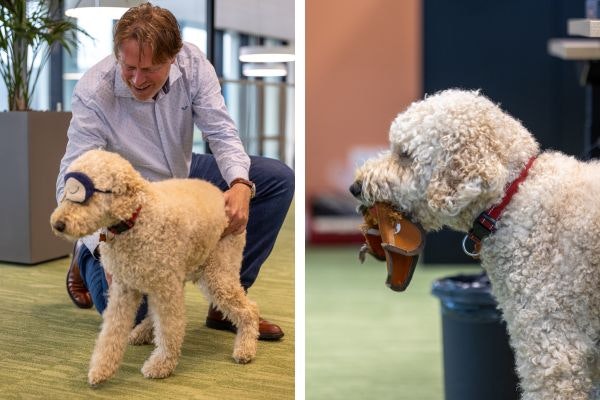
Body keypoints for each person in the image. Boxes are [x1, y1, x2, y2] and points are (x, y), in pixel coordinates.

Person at [56, 2, 294, 341]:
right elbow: (71, 178)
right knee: (136, 315)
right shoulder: (94, 91)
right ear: (118, 54)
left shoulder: (194, 64)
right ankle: (84, 256)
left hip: (182, 173)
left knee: (275, 179)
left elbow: (222, 134)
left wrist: (240, 183)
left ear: (174, 56)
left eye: (150, 69)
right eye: (129, 67)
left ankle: (225, 301)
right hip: (129, 196)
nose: (137, 80)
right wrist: (98, 242)